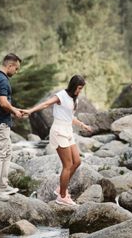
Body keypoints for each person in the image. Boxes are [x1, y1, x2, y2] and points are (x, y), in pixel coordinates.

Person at [23, 75, 92, 206]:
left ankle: (61, 188)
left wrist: (83, 125)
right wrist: (30, 111)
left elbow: (70, 117)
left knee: (77, 162)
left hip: (68, 131)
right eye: (79, 88)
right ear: (73, 86)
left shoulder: (74, 99)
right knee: (67, 165)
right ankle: (62, 196)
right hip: (59, 131)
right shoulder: (61, 95)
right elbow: (46, 103)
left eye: (81, 88)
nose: (80, 91)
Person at [0, 53, 24, 201]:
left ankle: (3, 185)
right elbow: (2, 102)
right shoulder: (2, 80)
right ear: (10, 65)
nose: (16, 71)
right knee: (0, 154)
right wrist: (14, 110)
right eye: (16, 68)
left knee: (7, 152)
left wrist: (14, 110)